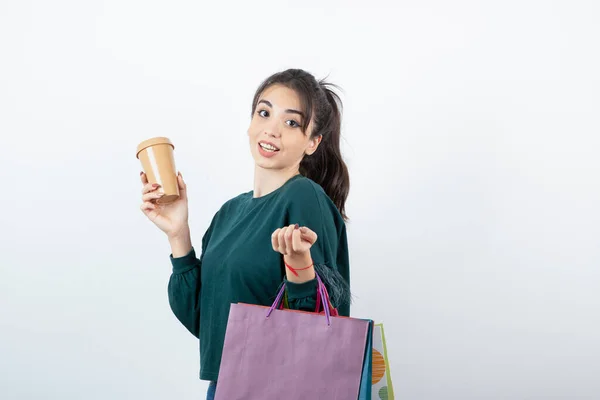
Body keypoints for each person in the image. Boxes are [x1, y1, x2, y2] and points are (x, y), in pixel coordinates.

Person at [139, 68, 352, 400]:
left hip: (280, 387)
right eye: (264, 113)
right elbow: (203, 322)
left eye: (291, 122)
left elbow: (319, 324)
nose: (272, 129)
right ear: (250, 123)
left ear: (312, 143)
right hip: (225, 383)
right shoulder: (229, 213)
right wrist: (178, 234)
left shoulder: (303, 196)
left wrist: (299, 263)